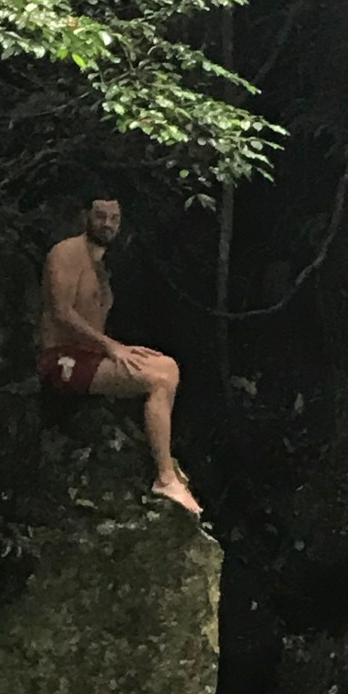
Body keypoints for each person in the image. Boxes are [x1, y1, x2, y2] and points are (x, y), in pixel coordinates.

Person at [38, 191, 201, 515]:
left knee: (167, 366)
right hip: (60, 359)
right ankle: (165, 477)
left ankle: (166, 462)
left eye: (114, 218)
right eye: (100, 216)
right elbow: (61, 313)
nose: (107, 224)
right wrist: (111, 347)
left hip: (89, 356)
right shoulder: (67, 252)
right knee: (157, 379)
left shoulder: (102, 266)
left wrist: (119, 349)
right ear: (86, 216)